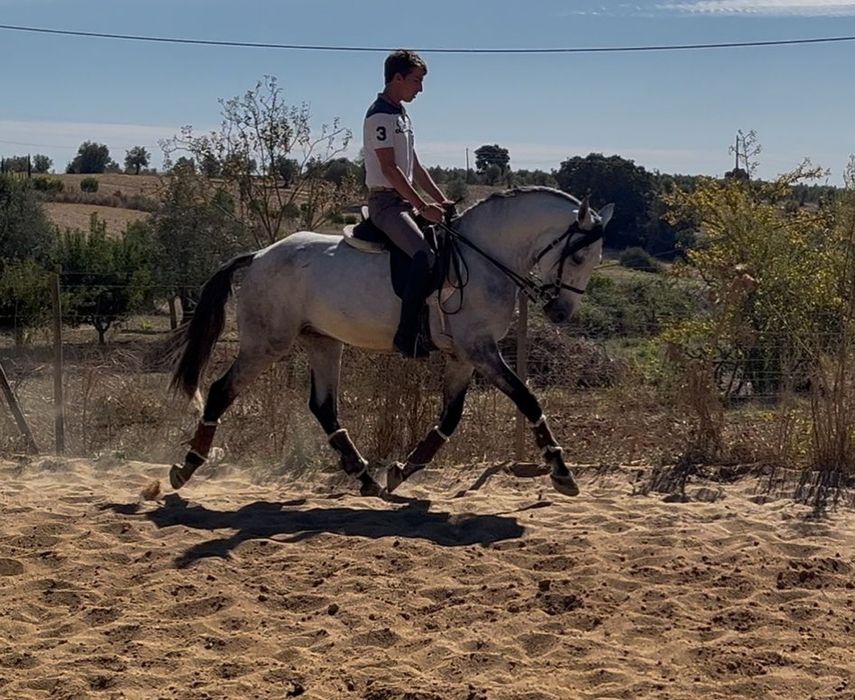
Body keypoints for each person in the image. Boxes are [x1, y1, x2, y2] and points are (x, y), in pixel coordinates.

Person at [363, 49, 452, 358]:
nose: (420, 88)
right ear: (397, 78)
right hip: (386, 204)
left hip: (404, 201)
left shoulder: (402, 115)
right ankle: (406, 336)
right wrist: (421, 205)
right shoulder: (380, 116)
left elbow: (416, 166)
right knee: (423, 255)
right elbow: (390, 169)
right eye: (417, 80)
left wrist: (441, 199)